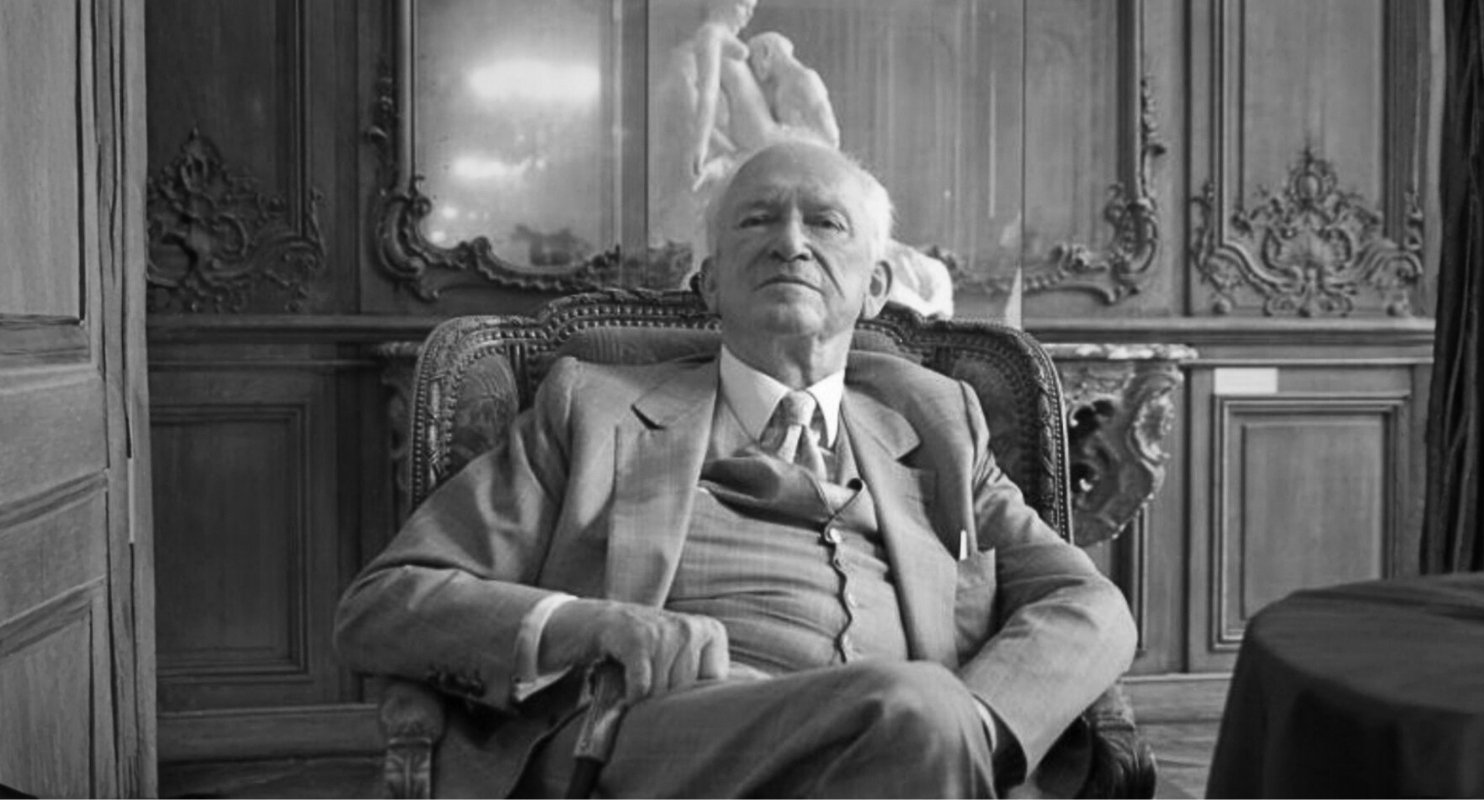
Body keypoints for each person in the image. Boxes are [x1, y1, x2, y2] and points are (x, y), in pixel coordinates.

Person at [335, 140, 1136, 798]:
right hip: (662, 739)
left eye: (825, 223)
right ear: (711, 282)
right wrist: (589, 625)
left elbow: (1084, 601)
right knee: (916, 708)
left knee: (916, 715)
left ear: (875, 289)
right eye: (757, 219)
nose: (791, 242)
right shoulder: (591, 410)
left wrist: (977, 725)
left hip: (908, 755)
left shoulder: (938, 425)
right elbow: (386, 603)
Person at [649, 0, 779, 255]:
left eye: (751, 8)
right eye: (743, 4)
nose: (748, 14)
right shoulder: (706, 40)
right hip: (746, 149)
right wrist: (702, 145)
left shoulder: (725, 46)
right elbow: (703, 97)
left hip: (759, 146)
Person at [746, 32, 840, 148]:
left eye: (753, 58)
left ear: (766, 52)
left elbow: (829, 135)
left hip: (814, 153)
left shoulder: (805, 79)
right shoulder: (781, 87)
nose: (754, 66)